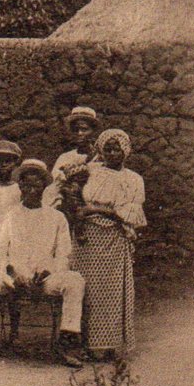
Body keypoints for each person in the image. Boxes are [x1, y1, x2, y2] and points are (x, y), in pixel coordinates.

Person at [0, 160, 86, 367]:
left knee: (75, 280)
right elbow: (1, 253)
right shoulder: (10, 216)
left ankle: (65, 345)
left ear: (44, 187)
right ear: (20, 187)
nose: (30, 190)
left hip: (45, 279)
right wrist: (12, 273)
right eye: (26, 186)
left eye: (36, 186)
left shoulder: (57, 218)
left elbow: (64, 255)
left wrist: (47, 271)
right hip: (13, 278)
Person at [74, 129, 146, 359]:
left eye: (117, 149)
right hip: (87, 239)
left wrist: (97, 209)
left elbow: (131, 212)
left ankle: (107, 345)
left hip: (114, 239)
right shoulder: (91, 171)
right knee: (86, 291)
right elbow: (72, 195)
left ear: (125, 150)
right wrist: (81, 215)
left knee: (110, 293)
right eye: (107, 149)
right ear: (101, 151)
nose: (112, 153)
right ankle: (83, 344)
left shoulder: (133, 179)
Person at [44, 107, 100, 206]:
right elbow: (53, 188)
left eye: (84, 129)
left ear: (93, 131)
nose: (80, 133)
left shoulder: (100, 158)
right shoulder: (65, 158)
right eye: (75, 130)